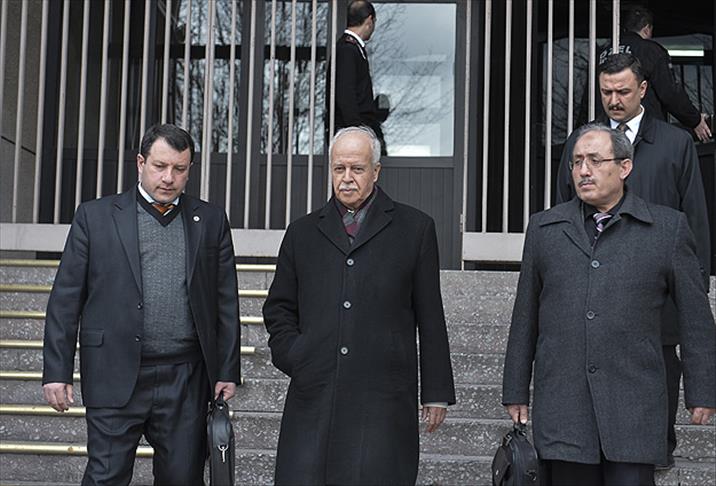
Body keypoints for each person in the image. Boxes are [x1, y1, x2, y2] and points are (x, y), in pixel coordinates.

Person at [504, 123, 716, 486]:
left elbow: (696, 319)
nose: (583, 171)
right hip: (564, 406)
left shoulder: (667, 229)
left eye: (595, 160)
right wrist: (515, 389)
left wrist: (703, 389)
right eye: (576, 162)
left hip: (634, 407)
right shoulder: (545, 229)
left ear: (624, 167)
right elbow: (525, 315)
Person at [42, 124, 241, 485]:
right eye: (160, 166)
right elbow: (65, 299)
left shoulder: (210, 219)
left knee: (183, 478)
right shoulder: (95, 217)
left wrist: (227, 368)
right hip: (113, 371)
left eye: (179, 169)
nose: (169, 178)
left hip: (185, 377)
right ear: (140, 163)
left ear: (189, 169)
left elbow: (225, 300)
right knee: (106, 476)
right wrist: (57, 370)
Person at [263, 126, 455, 485]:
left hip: (383, 398)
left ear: (376, 171)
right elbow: (279, 309)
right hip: (315, 394)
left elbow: (430, 315)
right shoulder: (301, 233)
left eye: (357, 169)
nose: (347, 178)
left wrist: (436, 392)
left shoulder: (415, 229)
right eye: (339, 169)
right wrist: (297, 354)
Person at [556, 53, 711, 469]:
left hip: (659, 286)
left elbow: (695, 217)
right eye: (606, 92)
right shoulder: (581, 144)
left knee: (660, 369)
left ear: (643, 89)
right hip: (594, 280)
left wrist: (696, 286)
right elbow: (562, 212)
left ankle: (657, 450)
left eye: (623, 91)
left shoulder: (676, 143)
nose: (614, 100)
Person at [597, 4, 712, 142]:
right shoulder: (651, 51)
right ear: (647, 29)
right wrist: (695, 120)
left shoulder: (601, 53)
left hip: (603, 133)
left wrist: (582, 130)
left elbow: (588, 96)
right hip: (645, 136)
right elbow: (670, 93)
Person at [327, 0, 388, 154]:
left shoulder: (351, 47)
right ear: (369, 20)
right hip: (352, 135)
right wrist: (356, 131)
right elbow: (345, 93)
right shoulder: (347, 49)